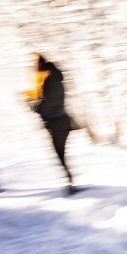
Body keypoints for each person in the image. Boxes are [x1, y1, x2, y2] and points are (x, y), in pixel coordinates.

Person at [27, 54, 77, 194]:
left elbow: (48, 104)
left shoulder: (50, 81)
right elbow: (49, 101)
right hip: (60, 121)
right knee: (61, 154)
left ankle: (70, 184)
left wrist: (34, 106)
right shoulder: (54, 79)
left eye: (35, 67)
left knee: (60, 154)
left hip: (57, 123)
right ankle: (70, 183)